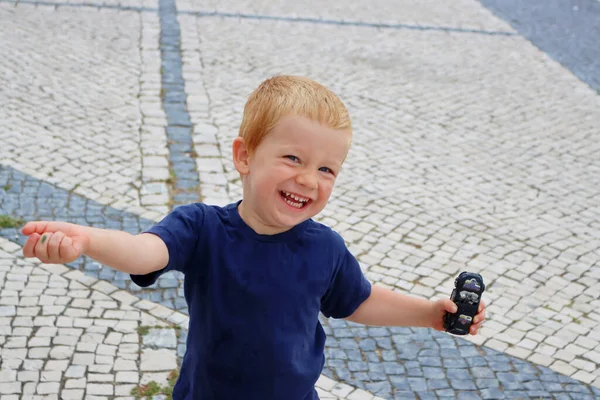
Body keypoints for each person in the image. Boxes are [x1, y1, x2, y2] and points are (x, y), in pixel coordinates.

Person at [21, 75, 486, 400]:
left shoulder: (325, 248)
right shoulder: (202, 228)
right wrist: (87, 239)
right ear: (244, 156)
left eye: (326, 169)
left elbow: (357, 300)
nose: (308, 179)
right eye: (292, 158)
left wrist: (429, 314)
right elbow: (146, 254)